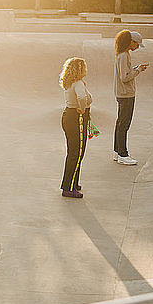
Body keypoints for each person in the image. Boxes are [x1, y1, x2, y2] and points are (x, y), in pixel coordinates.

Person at [59, 57, 93, 198]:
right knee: (77, 152)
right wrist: (83, 109)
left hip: (68, 116)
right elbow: (82, 98)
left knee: (73, 151)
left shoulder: (69, 82)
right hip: (76, 117)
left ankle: (73, 181)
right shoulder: (78, 83)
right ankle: (68, 187)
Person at [113, 30, 147, 165]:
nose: (137, 47)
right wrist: (138, 70)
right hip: (126, 94)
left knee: (120, 123)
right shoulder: (124, 56)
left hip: (122, 93)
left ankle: (117, 151)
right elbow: (125, 77)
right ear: (130, 42)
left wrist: (135, 68)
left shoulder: (122, 55)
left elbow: (125, 72)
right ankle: (123, 154)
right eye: (136, 44)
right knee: (124, 125)